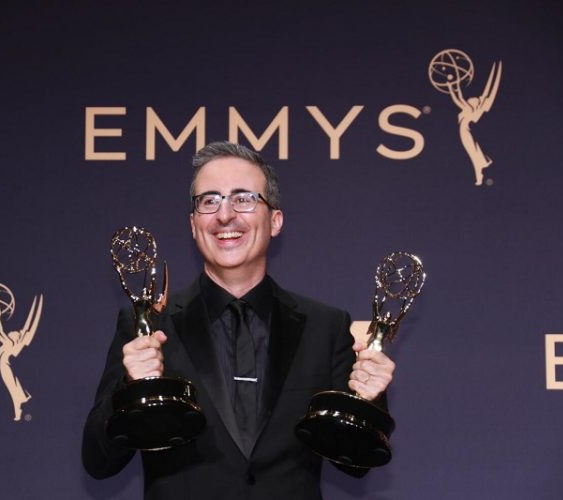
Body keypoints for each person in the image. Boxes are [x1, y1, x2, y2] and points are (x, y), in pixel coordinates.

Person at [82, 141, 395, 499]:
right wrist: (129, 387)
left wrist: (370, 399)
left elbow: (356, 464)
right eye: (209, 201)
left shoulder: (325, 327)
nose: (225, 215)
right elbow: (98, 461)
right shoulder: (150, 325)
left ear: (275, 220)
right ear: (193, 223)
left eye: (244, 199)